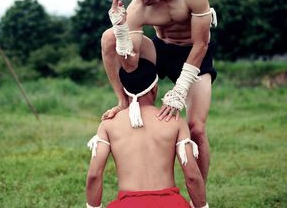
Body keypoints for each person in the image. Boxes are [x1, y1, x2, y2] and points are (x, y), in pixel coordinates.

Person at [101, 0, 217, 183]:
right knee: (108, 38)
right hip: (159, 49)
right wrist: (122, 33)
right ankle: (122, 101)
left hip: (193, 52)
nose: (143, 0)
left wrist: (180, 90)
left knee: (196, 129)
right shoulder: (137, 8)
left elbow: (201, 43)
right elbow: (131, 64)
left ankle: (199, 198)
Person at [86, 58, 208, 208]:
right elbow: (192, 177)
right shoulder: (175, 122)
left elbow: (94, 175)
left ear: (124, 90)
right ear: (154, 88)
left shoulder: (108, 125)